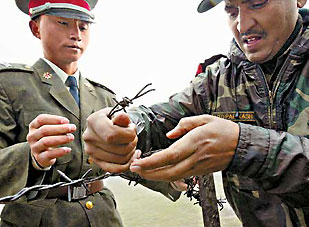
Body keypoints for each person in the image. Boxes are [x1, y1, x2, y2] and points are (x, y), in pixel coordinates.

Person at [83, 0, 309, 226]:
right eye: (231, 11)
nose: (242, 25)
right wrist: (124, 129)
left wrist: (244, 147)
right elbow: (161, 120)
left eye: (257, 3)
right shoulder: (218, 81)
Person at [0, 1, 180, 226]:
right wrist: (31, 157)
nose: (75, 34)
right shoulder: (9, 85)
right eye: (63, 23)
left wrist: (174, 177)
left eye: (83, 27)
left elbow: (122, 157)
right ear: (36, 28)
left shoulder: (102, 96)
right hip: (37, 219)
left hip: (102, 216)